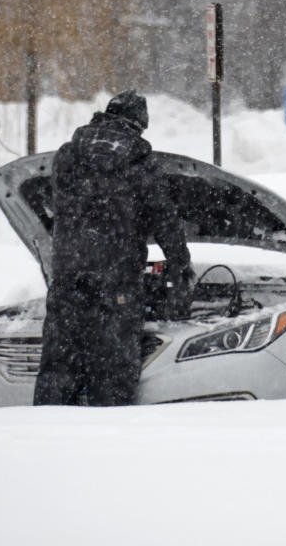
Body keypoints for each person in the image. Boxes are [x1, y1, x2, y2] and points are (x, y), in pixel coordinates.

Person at [34, 91, 192, 406]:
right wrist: (180, 264)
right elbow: (165, 219)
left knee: (57, 366)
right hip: (116, 281)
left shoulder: (67, 155)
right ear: (138, 124)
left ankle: (45, 433)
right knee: (112, 372)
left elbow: (58, 208)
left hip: (68, 277)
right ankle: (108, 440)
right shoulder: (140, 161)